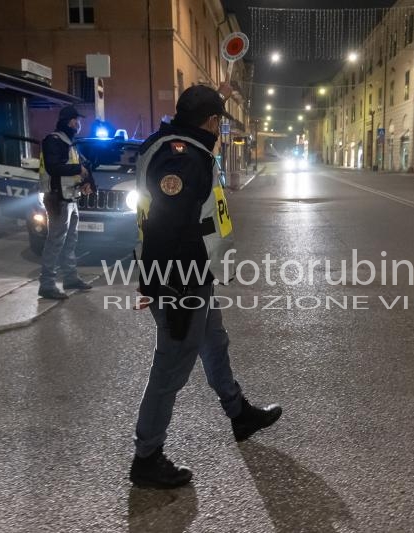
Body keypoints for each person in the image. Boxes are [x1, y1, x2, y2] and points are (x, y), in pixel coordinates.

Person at [130, 84, 282, 489]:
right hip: (182, 282)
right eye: (218, 120)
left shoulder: (177, 145)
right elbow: (166, 226)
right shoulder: (184, 157)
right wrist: (172, 290)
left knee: (214, 343)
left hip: (195, 277)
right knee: (171, 368)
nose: (219, 128)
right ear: (212, 122)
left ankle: (239, 413)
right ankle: (146, 457)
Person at [37, 105, 97, 300]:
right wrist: (77, 170)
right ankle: (47, 285)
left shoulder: (70, 142)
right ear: (71, 121)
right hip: (57, 198)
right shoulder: (53, 141)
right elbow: (55, 167)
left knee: (70, 241)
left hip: (71, 197)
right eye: (77, 120)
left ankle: (70, 278)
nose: (79, 124)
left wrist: (88, 182)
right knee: (55, 242)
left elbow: (84, 164)